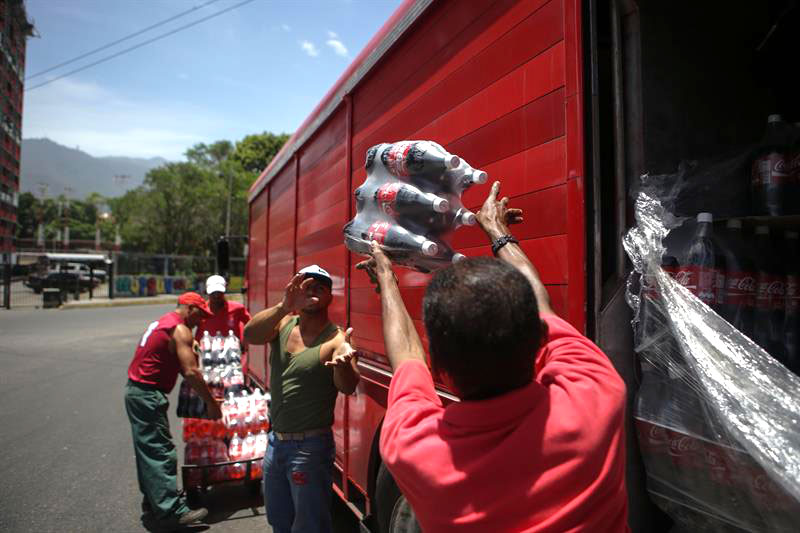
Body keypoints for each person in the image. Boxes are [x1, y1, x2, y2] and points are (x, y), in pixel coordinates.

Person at [357, 182, 629, 532]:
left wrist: (386, 277)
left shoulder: (413, 447)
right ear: (541, 341)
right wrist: (498, 231)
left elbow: (407, 358)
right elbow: (541, 304)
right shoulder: (594, 396)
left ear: (440, 371)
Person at [243, 265, 360, 533]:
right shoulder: (283, 323)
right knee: (279, 521)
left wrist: (343, 365)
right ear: (296, 291)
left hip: (310, 448)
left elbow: (348, 386)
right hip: (276, 444)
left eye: (321, 285)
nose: (313, 289)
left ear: (331, 296)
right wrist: (284, 306)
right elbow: (250, 335)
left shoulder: (336, 339)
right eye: (307, 285)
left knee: (310, 526)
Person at [125, 292, 223, 528]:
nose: (202, 321)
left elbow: (174, 358)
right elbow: (190, 372)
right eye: (201, 315)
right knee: (161, 451)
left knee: (148, 450)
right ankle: (171, 512)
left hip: (138, 392)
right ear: (190, 308)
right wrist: (210, 402)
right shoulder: (180, 329)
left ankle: (153, 501)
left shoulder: (164, 322)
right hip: (147, 395)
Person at [196, 274, 252, 371]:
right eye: (213, 292)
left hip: (232, 360)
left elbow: (251, 325)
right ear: (207, 291)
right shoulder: (200, 310)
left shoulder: (237, 309)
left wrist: (245, 341)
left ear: (225, 290)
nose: (216, 296)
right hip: (207, 359)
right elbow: (186, 328)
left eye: (219, 292)